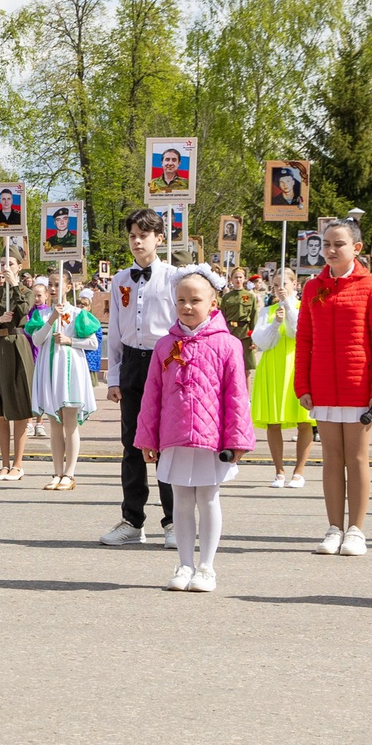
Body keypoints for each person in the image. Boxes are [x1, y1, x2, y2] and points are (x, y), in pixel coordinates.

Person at [100, 210, 224, 545]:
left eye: (144, 235)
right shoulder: (121, 279)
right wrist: (114, 377)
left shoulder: (172, 277)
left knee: (166, 443)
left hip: (166, 360)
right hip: (132, 362)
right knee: (132, 444)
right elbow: (116, 331)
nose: (137, 242)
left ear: (159, 238)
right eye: (132, 236)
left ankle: (173, 522)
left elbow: (182, 321)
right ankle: (132, 520)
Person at [133, 271, 254, 593]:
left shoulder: (228, 344)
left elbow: (236, 396)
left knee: (208, 498)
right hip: (174, 437)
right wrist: (147, 437)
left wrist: (237, 440)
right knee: (181, 500)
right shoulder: (165, 345)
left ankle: (206, 567)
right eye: (181, 300)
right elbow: (152, 394)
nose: (187, 306)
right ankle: (185, 564)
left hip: (211, 439)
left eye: (195, 300)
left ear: (213, 303)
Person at [293, 218, 372, 557]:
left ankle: (356, 530)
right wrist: (303, 384)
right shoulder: (312, 288)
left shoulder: (371, 287)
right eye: (327, 244)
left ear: (356, 248)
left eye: (339, 244)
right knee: (332, 459)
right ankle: (334, 527)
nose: (331, 250)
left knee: (357, 457)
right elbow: (305, 339)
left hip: (358, 386)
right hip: (323, 385)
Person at [249, 267, 314, 488]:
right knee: (273, 421)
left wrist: (288, 306)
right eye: (276, 285)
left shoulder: (304, 307)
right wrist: (275, 323)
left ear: (295, 285)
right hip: (273, 367)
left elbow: (298, 332)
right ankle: (279, 471)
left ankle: (299, 472)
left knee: (304, 420)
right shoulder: (267, 311)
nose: (280, 289)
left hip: (297, 364)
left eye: (284, 284)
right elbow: (262, 342)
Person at [32, 283, 101, 490]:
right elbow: (37, 340)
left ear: (68, 287)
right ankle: (57, 472)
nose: (53, 288)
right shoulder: (43, 314)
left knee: (70, 424)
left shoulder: (78, 314)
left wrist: (70, 340)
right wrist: (52, 319)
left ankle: (69, 474)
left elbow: (93, 343)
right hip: (49, 371)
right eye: (51, 285)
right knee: (55, 424)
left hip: (71, 371)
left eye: (57, 284)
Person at [0, 256, 33, 481]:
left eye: (10, 264)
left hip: (16, 345)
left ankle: (18, 464)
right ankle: (4, 464)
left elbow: (24, 310)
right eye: (3, 264)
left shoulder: (25, 291)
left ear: (19, 267)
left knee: (19, 408)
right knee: (1, 410)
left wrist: (14, 285)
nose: (6, 268)